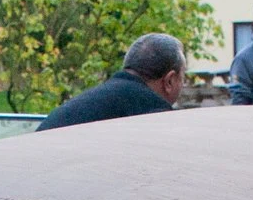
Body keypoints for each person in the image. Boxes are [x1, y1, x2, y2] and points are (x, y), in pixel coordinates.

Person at [36, 33, 188, 130]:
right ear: (169, 81)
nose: (183, 85)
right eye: (183, 78)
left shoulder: (100, 99)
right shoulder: (153, 114)